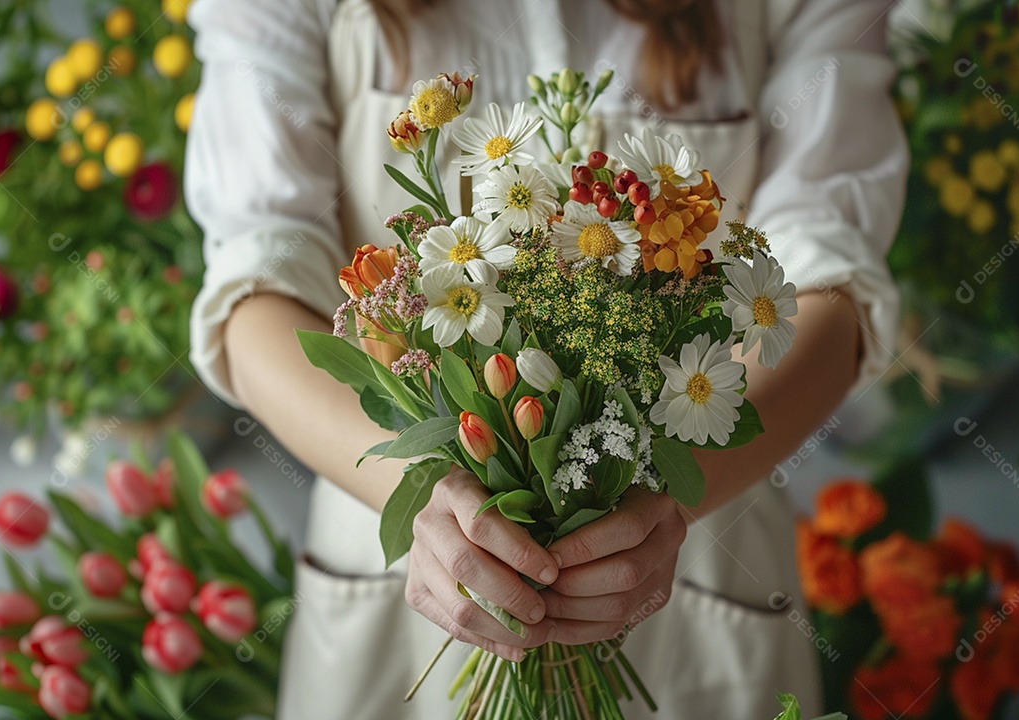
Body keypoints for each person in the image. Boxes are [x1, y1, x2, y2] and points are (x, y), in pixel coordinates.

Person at [185, 0, 907, 716]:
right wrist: (425, 497)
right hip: (414, 552)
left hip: (702, 536)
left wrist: (660, 504)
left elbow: (832, 275)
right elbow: (256, 285)